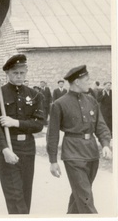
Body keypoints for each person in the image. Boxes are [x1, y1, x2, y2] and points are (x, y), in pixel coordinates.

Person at [47, 65, 112, 214]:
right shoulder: (59, 104)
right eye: (87, 80)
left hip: (92, 153)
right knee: (85, 196)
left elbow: (100, 125)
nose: (90, 83)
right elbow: (52, 134)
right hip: (73, 154)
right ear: (77, 81)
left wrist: (106, 145)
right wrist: (52, 160)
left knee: (80, 195)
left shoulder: (92, 101)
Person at [0, 54, 45, 214]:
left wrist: (16, 123)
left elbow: (39, 124)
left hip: (28, 149)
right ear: (7, 73)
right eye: (15, 73)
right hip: (8, 147)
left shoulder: (35, 95)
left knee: (26, 195)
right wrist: (4, 149)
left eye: (22, 73)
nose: (19, 76)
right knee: (15, 196)